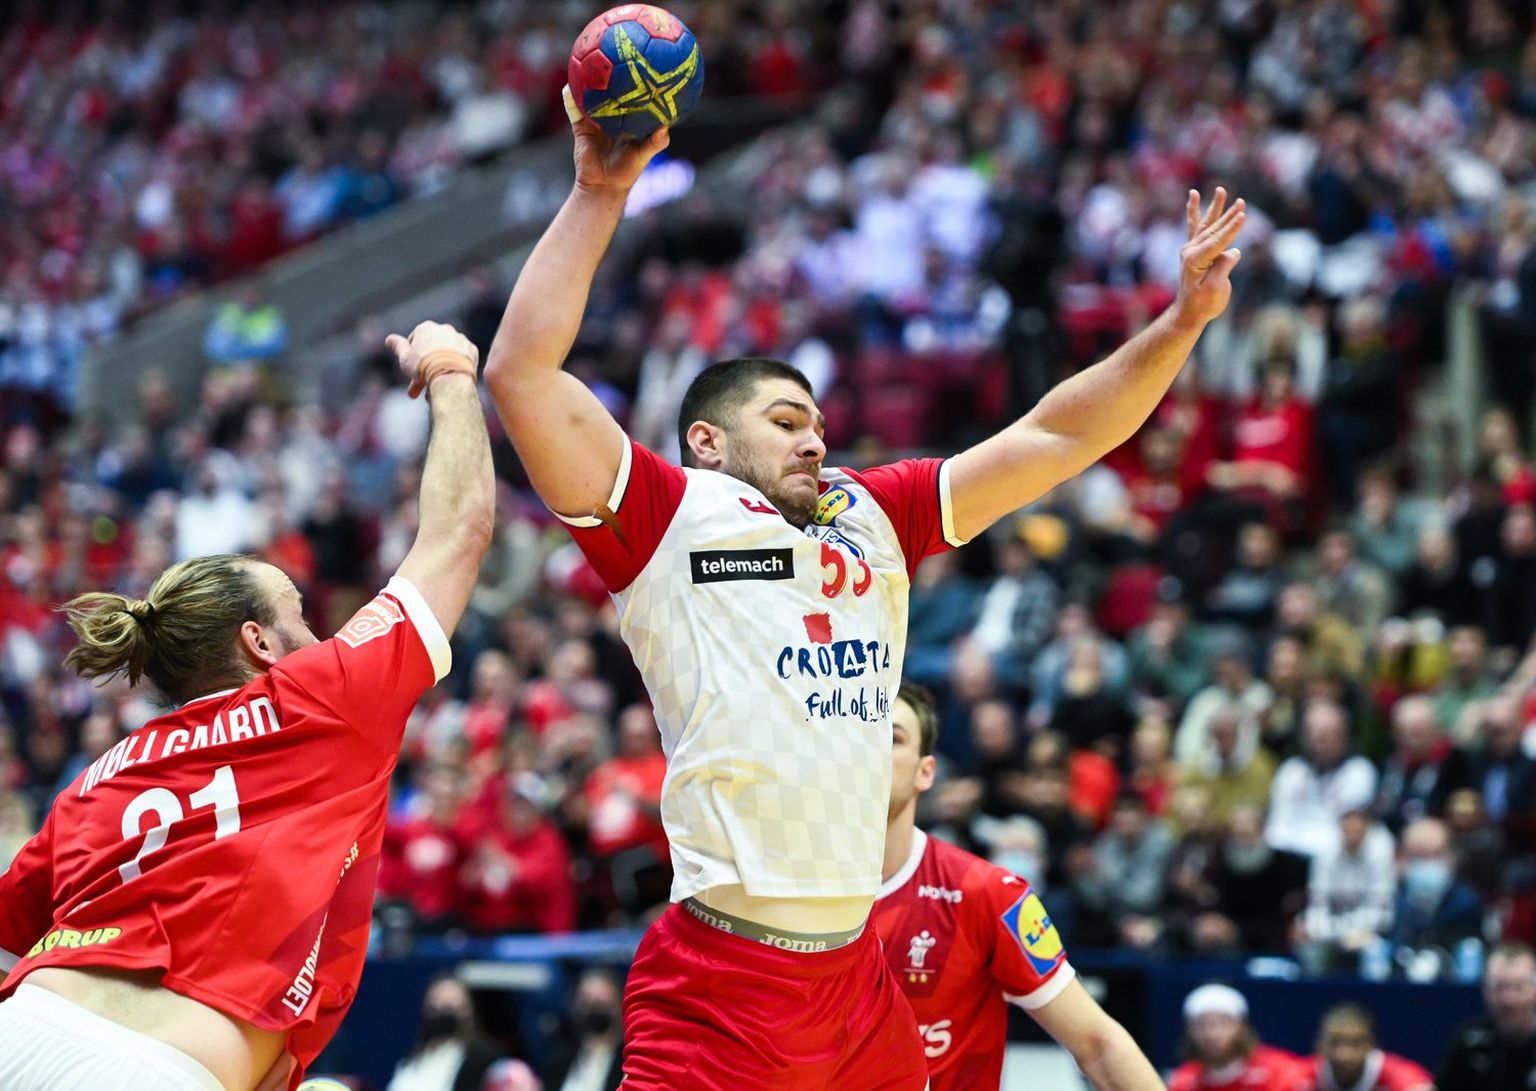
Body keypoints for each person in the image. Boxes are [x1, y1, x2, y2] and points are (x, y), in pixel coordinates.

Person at [482, 81, 1246, 1089]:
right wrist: (598, 192)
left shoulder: (872, 510)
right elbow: (522, 375)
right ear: (706, 440)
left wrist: (1181, 323)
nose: (815, 438)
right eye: (785, 421)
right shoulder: (666, 514)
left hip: (855, 976)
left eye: (818, 423)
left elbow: (1057, 436)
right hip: (722, 977)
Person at [0, 321, 493, 1091]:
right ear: (260, 641)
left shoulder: (100, 775)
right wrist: (451, 370)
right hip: (160, 1069)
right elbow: (459, 529)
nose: (319, 633)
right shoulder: (321, 693)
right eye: (298, 613)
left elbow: (11, 929)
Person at [872, 683, 1168, 1091]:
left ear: (926, 772)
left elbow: (1099, 1045)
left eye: (892, 737)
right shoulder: (785, 891)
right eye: (861, 734)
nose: (871, 748)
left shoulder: (984, 893)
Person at [1169, 984, 1307, 1091]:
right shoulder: (1183, 1082)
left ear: (1242, 1026)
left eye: (1223, 1022)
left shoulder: (1281, 1072)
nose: (1211, 1033)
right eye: (1201, 1025)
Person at [1438, 942, 1536, 1091]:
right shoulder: (1469, 1042)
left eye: (1518, 987)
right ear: (1485, 990)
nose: (1507, 1000)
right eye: (1499, 987)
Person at [385, 975, 506, 1091]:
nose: (443, 1013)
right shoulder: (414, 1059)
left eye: (451, 1005)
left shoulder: (481, 1058)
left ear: (468, 1009)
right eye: (436, 1005)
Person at [1302, 1003, 1430, 1091]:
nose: (1344, 1055)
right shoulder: (1301, 1077)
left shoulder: (1401, 1076)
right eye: (1335, 1042)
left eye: (1355, 1043)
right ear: (1319, 1044)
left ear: (1371, 1045)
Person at [541, 968, 624, 1091]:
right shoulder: (559, 1060)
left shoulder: (629, 1062)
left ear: (618, 1005)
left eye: (602, 1002)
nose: (595, 1008)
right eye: (587, 1002)